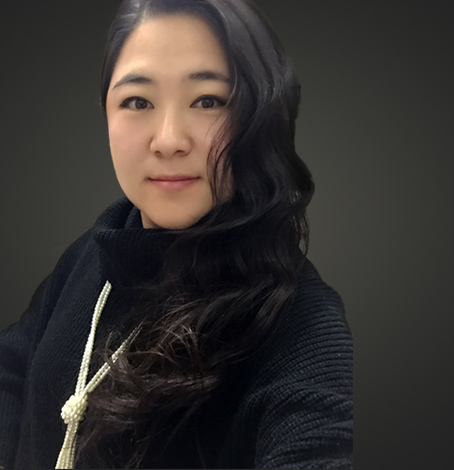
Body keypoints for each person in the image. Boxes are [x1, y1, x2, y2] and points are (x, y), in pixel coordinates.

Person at [0, 0, 353, 468]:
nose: (168, 140)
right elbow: (13, 369)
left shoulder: (301, 323)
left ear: (260, 116)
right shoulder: (95, 251)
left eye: (208, 101)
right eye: (138, 102)